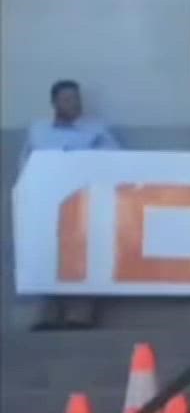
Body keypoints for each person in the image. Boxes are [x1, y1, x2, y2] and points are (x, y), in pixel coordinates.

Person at [24, 81, 119, 329]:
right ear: (54, 103)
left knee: (82, 259)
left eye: (76, 99)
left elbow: (116, 160)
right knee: (46, 258)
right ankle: (47, 314)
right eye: (67, 99)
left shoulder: (97, 130)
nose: (73, 103)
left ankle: (79, 315)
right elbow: (26, 164)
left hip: (83, 207)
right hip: (45, 207)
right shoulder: (39, 130)